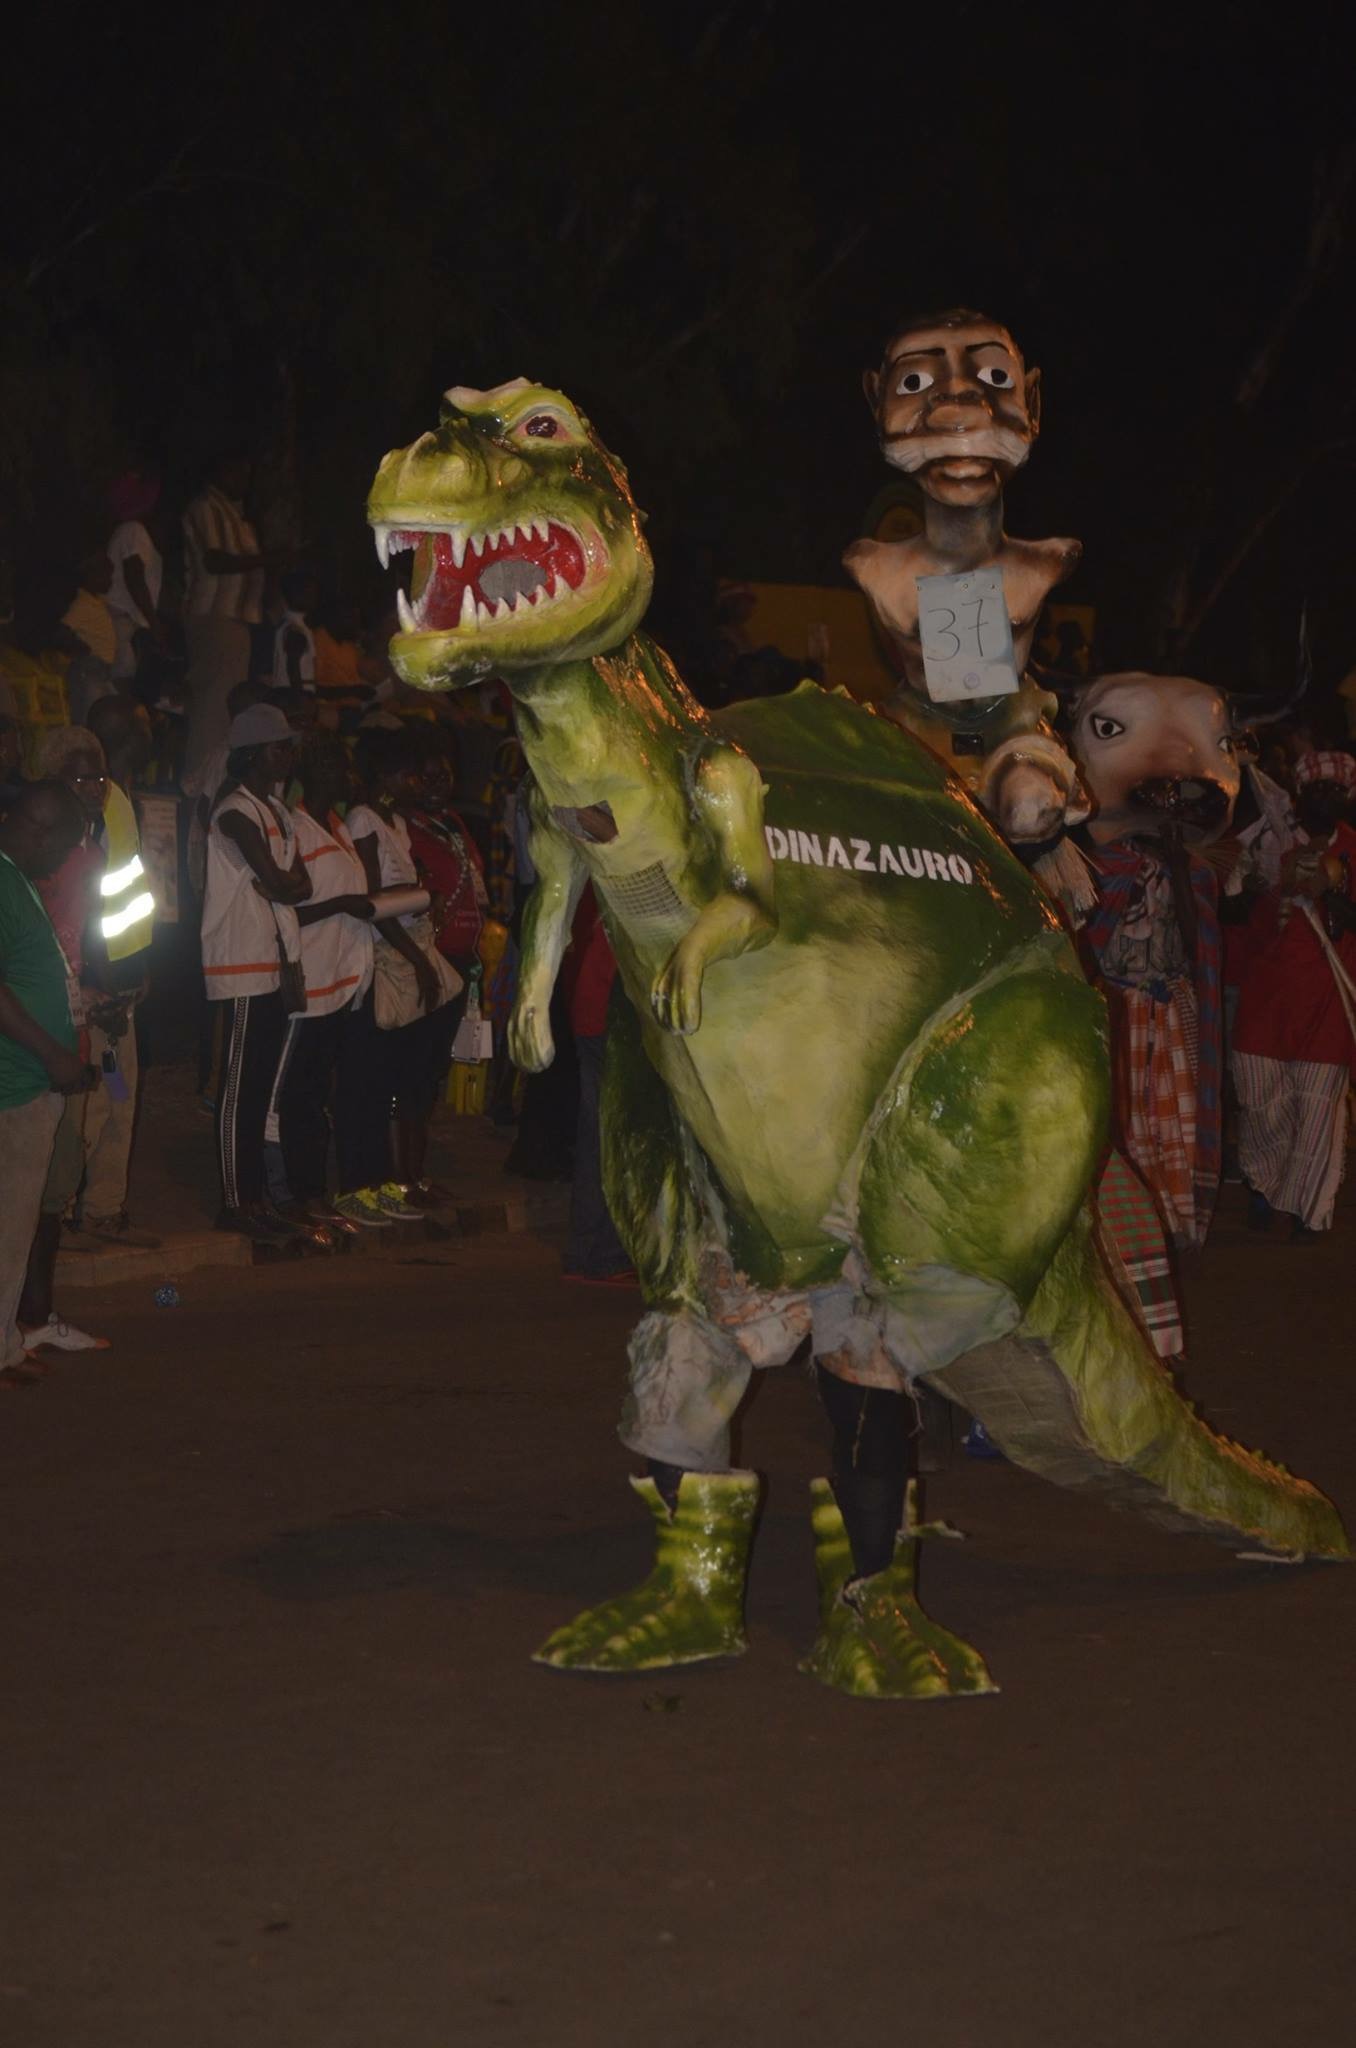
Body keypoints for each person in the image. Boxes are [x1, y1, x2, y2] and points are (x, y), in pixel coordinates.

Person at [16, 728, 120, 1351]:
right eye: (80, 778)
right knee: (30, 1184)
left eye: (99, 778)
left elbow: (79, 942)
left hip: (68, 1023)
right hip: (33, 1034)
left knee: (55, 1183)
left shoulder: (90, 852)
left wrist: (98, 991)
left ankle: (34, 1318)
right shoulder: (33, 860)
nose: (93, 789)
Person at [1232, 749, 1356, 1240]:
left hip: (1327, 1001)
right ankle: (1265, 1186)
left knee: (1318, 1109)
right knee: (1261, 1097)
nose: (1325, 797)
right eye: (1315, 788)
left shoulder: (1353, 850)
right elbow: (1238, 911)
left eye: (1335, 790)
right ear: (1299, 795)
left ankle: (1308, 1209)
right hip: (1266, 997)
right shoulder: (1271, 842)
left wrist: (1334, 891)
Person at [200, 703, 311, 1239]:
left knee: (259, 1086)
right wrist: (284, 884)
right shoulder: (234, 810)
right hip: (243, 961)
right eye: (278, 746)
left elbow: (299, 885)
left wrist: (284, 884)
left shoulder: (276, 810)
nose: (288, 754)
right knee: (240, 1088)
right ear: (251, 754)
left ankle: (254, 1197)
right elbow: (284, 880)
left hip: (272, 957)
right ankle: (235, 1201)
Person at [269, 735, 389, 1226]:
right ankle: (300, 1193)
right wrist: (341, 905)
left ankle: (316, 1191)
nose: (350, 779)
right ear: (320, 773)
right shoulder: (295, 829)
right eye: (342, 769)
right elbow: (286, 911)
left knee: (320, 1092)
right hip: (312, 983)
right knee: (300, 1095)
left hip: (344, 981)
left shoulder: (335, 826)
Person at [0, 781, 93, 1387]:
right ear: (41, 831)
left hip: (23, 1080)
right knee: (9, 1227)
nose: (63, 863)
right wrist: (53, 1053)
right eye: (63, 848)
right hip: (15, 1084)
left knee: (14, 1224)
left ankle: (6, 1343)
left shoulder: (15, 878)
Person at [347, 728, 460, 1213]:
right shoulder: (363, 819)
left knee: (416, 1077)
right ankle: (391, 1181)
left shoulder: (395, 821)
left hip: (411, 947)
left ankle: (412, 1177)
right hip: (388, 957)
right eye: (409, 774)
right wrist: (418, 960)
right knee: (390, 1079)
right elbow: (375, 903)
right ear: (386, 776)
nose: (417, 783)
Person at [82, 696, 157, 1243]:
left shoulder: (118, 797)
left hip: (119, 978)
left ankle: (100, 1209)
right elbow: (86, 897)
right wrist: (102, 981)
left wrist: (137, 967)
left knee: (117, 1097)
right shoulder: (97, 804)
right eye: (145, 724)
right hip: (100, 985)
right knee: (101, 1101)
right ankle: (79, 1210)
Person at [181, 454, 272, 786]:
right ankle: (198, 784)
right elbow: (215, 561)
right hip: (215, 615)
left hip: (236, 618)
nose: (244, 481)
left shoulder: (235, 515)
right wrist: (266, 559)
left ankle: (213, 781)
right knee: (214, 705)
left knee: (226, 705)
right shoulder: (207, 507)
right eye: (238, 472)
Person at [106, 470, 168, 684]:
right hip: (123, 621)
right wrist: (154, 622)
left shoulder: (126, 530)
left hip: (123, 621)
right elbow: (135, 577)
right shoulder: (133, 530)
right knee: (124, 684)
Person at [272, 570, 319, 695]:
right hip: (295, 694)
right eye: (307, 592)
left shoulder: (289, 625)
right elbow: (293, 668)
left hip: (288, 693)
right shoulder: (295, 630)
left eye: (314, 592)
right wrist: (299, 698)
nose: (313, 597)